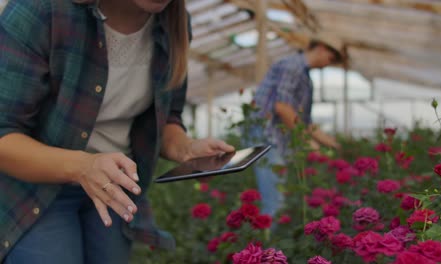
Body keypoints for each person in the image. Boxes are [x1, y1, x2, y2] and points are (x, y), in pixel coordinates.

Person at [0, 0, 234, 263]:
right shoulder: (42, 11)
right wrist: (83, 166)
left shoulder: (174, 25)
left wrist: (185, 148)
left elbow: (167, 116)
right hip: (35, 189)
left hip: (115, 187)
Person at [249, 41, 342, 217]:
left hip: (275, 138)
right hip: (266, 136)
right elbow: (282, 108)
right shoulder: (293, 67)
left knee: (278, 196)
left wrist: (333, 144)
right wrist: (309, 143)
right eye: (330, 59)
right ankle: (266, 242)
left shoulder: (305, 78)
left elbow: (304, 122)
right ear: (321, 48)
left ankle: (269, 238)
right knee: (275, 201)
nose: (328, 64)